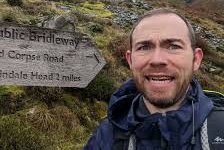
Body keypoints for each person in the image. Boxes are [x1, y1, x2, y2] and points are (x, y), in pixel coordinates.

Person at [84, 8, 224, 150]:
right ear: (130, 60)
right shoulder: (105, 137)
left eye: (173, 46)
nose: (157, 60)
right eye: (144, 47)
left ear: (196, 59)